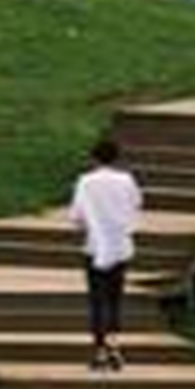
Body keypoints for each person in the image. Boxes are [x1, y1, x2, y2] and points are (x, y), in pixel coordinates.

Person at [67, 137, 142, 372]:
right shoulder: (127, 180)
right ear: (117, 157)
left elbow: (76, 216)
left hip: (95, 246)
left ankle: (99, 350)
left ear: (93, 158)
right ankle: (114, 345)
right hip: (120, 247)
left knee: (97, 300)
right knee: (115, 298)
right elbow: (135, 206)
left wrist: (88, 225)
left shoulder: (86, 182)